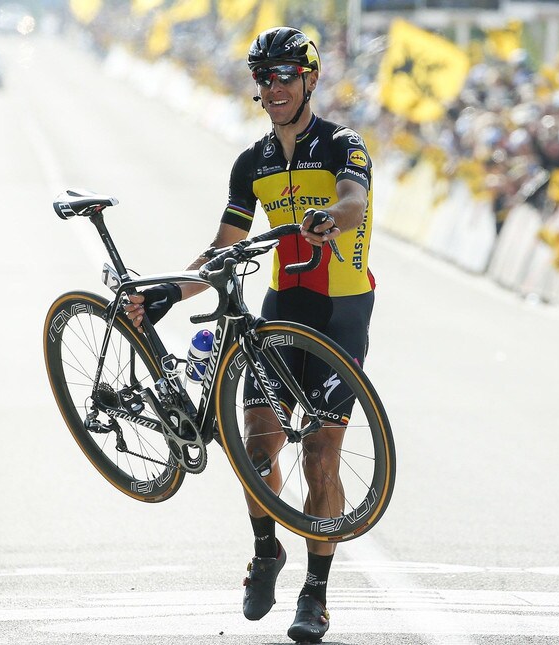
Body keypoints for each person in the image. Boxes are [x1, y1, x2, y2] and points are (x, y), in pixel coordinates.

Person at [124, 26, 376, 643]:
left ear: (309, 80)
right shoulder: (251, 162)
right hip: (280, 312)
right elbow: (223, 246)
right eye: (264, 77)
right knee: (257, 451)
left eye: (286, 74)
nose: (274, 87)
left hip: (341, 314)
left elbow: (354, 202)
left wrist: (329, 218)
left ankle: (316, 593)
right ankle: (266, 550)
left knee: (320, 456)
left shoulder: (341, 143)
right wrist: (169, 292)